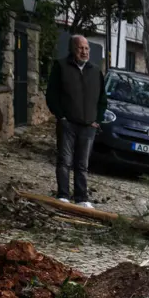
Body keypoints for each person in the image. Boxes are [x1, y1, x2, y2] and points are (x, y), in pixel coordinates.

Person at [45, 35, 106, 207]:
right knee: (64, 160)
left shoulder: (95, 71)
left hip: (88, 126)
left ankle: (81, 198)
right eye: (80, 48)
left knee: (82, 164)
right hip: (68, 123)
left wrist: (97, 120)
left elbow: (103, 98)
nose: (84, 51)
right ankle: (63, 195)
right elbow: (52, 94)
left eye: (86, 48)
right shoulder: (61, 67)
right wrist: (60, 115)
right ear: (73, 48)